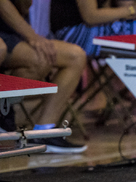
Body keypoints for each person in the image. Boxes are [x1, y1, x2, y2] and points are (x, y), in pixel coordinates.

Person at [0, 0, 87, 153]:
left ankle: (43, 132)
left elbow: (25, 6)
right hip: (10, 35)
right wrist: (32, 36)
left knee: (74, 56)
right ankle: (4, 117)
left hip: (12, 31)